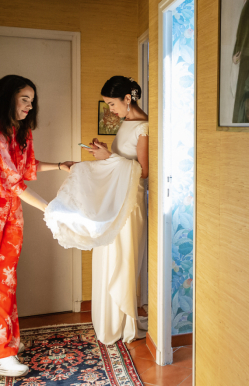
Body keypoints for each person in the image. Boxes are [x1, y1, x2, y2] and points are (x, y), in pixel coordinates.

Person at [0, 75, 75, 377]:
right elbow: (13, 182)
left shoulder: (17, 132)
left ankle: (4, 340)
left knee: (6, 280)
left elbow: (25, 167)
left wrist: (59, 166)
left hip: (11, 213)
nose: (30, 106)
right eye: (24, 99)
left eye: (32, 100)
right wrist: (50, 208)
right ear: (8, 98)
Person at [87, 76, 149, 344]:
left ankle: (123, 320)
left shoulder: (144, 127)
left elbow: (144, 172)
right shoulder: (126, 123)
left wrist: (109, 158)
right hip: (117, 199)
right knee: (109, 255)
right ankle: (110, 317)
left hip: (130, 202)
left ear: (128, 98)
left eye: (112, 104)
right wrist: (104, 153)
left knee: (123, 258)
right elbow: (123, 161)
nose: (110, 109)